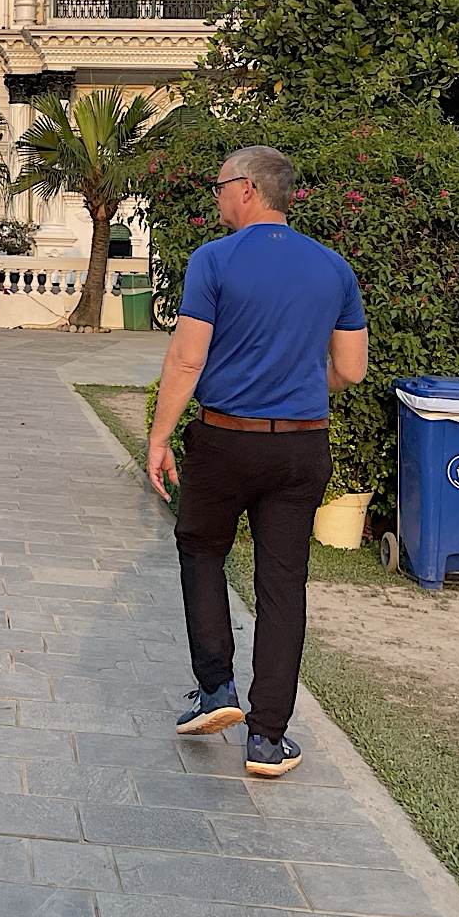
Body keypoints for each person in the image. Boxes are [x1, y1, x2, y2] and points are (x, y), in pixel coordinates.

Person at [146, 145, 369, 780]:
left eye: (219, 188)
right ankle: (268, 738)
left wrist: (160, 437)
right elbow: (350, 370)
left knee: (201, 550)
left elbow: (187, 360)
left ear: (247, 189)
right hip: (301, 445)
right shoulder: (333, 268)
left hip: (225, 439)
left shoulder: (213, 260)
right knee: (282, 585)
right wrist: (298, 384)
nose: (216, 199)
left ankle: (216, 690)